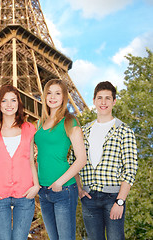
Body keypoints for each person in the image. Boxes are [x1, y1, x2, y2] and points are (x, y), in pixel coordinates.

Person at [70, 81, 138, 240]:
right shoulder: (83, 131)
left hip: (113, 199)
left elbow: (130, 169)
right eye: (100, 98)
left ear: (114, 101)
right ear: (93, 100)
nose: (103, 102)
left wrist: (120, 201)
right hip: (89, 199)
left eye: (108, 98)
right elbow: (74, 162)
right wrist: (79, 189)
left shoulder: (124, 131)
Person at [0, 85, 40, 240]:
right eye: (4, 101)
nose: (9, 105)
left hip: (25, 192)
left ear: (18, 103)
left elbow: (30, 160)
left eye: (13, 100)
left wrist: (36, 185)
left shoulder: (30, 128)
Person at [34, 79, 87, 240]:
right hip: (43, 191)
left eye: (58, 93)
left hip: (63, 189)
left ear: (64, 97)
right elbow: (37, 158)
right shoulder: (39, 123)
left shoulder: (69, 121)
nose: (53, 97)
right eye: (49, 93)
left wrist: (59, 183)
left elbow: (81, 159)